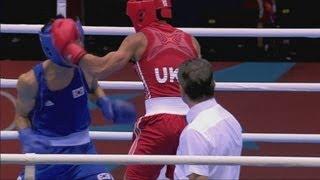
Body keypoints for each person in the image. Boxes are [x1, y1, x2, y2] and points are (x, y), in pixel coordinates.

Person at [47, 0, 201, 179]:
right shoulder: (192, 41)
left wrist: (70, 50)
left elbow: (100, 69)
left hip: (159, 124)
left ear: (141, 13)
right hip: (192, 122)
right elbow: (202, 80)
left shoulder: (139, 39)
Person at [15, 17, 136, 180]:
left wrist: (104, 102)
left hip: (83, 152)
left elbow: (93, 87)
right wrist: (26, 135)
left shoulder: (85, 68)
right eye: (72, 42)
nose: (78, 47)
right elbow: (21, 115)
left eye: (78, 40)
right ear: (52, 47)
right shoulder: (30, 81)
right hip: (46, 156)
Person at [174, 59, 243, 180]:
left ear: (181, 89)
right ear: (213, 84)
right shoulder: (230, 119)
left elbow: (198, 177)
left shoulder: (194, 131)